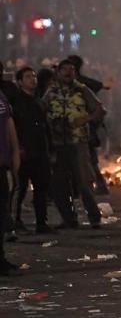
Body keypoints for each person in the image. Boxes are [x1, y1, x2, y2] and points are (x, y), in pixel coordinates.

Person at [43, 59, 106, 229]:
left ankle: (94, 218)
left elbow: (100, 110)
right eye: (65, 69)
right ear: (58, 72)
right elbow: (42, 111)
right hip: (58, 143)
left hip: (78, 142)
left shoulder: (82, 90)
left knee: (84, 182)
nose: (69, 72)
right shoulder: (52, 92)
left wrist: (84, 120)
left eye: (71, 70)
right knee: (60, 184)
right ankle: (69, 219)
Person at [10, 67, 55, 234]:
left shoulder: (39, 102)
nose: (33, 79)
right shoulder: (15, 103)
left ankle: (41, 223)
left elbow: (46, 127)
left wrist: (50, 148)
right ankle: (15, 222)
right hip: (24, 152)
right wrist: (17, 148)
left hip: (40, 151)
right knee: (20, 190)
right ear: (20, 82)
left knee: (41, 189)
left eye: (34, 76)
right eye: (28, 77)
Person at [67, 55, 111, 195]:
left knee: (87, 158)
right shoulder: (81, 83)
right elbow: (103, 86)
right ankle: (94, 185)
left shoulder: (80, 84)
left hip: (84, 127)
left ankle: (92, 186)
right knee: (88, 159)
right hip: (81, 127)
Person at [0, 90, 21, 276]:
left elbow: (9, 124)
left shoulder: (2, 97)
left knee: (2, 211)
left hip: (1, 164)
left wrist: (15, 154)